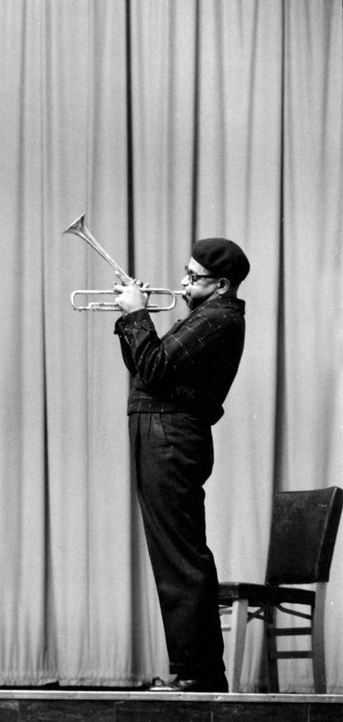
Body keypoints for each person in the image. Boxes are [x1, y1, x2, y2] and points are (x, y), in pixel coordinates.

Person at [112, 237, 250, 693]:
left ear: (222, 286)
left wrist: (136, 315)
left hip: (170, 436)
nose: (184, 281)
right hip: (160, 432)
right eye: (186, 272)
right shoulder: (205, 316)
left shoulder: (218, 319)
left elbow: (152, 369)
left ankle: (200, 673)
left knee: (180, 556)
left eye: (194, 277)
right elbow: (145, 368)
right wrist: (132, 319)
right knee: (174, 554)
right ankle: (195, 670)